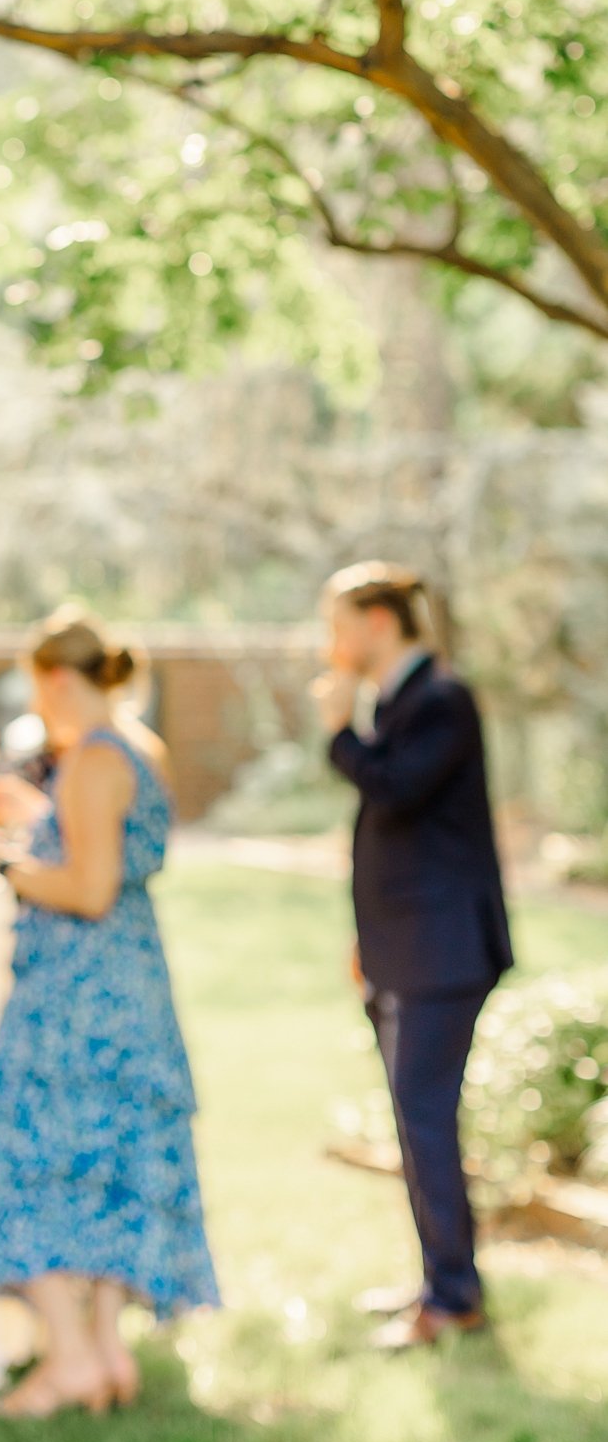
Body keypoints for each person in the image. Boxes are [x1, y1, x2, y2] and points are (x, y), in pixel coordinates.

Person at [0, 615, 218, 1416]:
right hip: (127, 980)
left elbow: (87, 890)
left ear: (59, 681)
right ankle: (104, 1353)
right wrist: (37, 815)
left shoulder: (93, 762)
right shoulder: (133, 746)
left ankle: (69, 1355)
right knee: (107, 1164)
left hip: (80, 994)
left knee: (34, 1162)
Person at [313, 562, 512, 1349]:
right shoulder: (400, 704)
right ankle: (439, 1278)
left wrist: (337, 731)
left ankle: (454, 1296)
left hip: (445, 951)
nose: (331, 642)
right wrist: (371, 937)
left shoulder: (441, 700)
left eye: (338, 623)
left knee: (425, 1121)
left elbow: (395, 791)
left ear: (377, 622)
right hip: (407, 947)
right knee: (413, 1120)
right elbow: (408, 839)